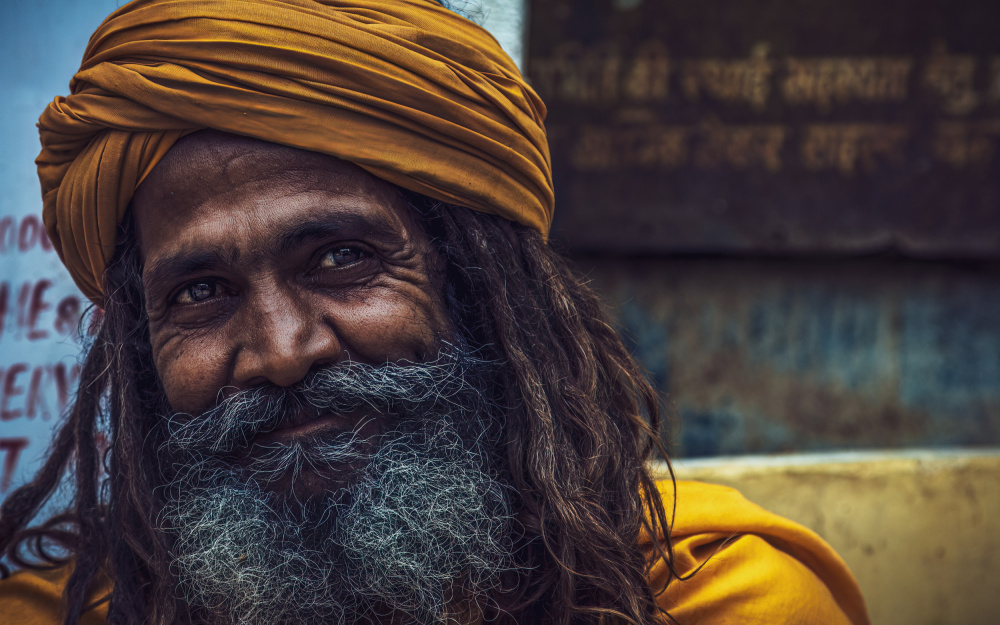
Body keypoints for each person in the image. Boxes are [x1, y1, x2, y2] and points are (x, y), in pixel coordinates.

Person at [0, 1, 871, 624]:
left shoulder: (714, 600)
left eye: (343, 258)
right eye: (199, 293)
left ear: (485, 290)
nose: (280, 351)